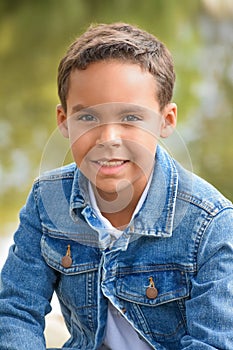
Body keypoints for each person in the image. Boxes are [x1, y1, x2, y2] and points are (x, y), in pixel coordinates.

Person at [0, 22, 233, 350]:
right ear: (63, 120)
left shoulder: (211, 223)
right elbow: (16, 309)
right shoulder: (47, 199)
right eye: (88, 118)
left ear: (166, 121)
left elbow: (213, 343)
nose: (108, 139)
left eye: (131, 118)